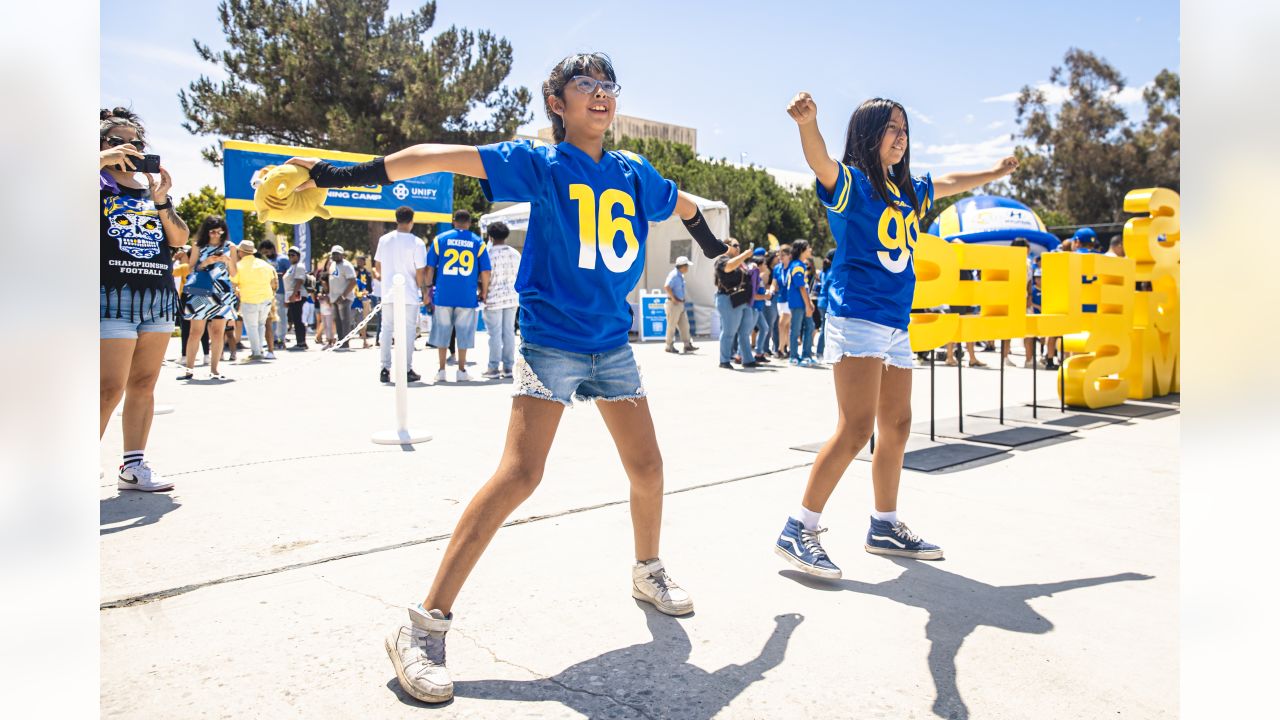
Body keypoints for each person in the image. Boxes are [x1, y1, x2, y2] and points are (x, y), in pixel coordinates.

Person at [285, 50, 727, 705]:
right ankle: (422, 627)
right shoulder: (540, 163)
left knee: (649, 469)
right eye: (587, 87)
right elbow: (435, 155)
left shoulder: (635, 171)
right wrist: (338, 172)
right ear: (558, 102)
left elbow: (685, 202)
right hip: (552, 342)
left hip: (612, 345)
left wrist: (716, 250)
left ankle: (647, 569)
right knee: (520, 475)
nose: (602, 97)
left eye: (610, 87)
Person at [775, 92, 1018, 578]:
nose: (901, 135)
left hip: (894, 324)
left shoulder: (909, 190)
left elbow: (948, 182)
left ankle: (884, 525)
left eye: (904, 127)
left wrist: (991, 174)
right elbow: (821, 161)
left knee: (898, 426)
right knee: (855, 428)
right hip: (857, 316)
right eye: (890, 127)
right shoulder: (852, 184)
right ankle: (798, 528)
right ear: (867, 135)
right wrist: (808, 124)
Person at [99, 107, 189, 492]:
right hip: (109, 297)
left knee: (144, 382)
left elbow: (179, 239)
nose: (127, 148)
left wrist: (162, 200)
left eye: (134, 142)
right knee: (107, 388)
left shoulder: (147, 189)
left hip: (155, 298)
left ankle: (133, 467)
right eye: (116, 141)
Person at [425, 209, 491, 383]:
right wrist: (484, 291)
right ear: (469, 223)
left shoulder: (440, 239)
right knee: (464, 333)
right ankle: (461, 370)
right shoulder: (478, 242)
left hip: (443, 294)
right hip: (466, 296)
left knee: (442, 332)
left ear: (454, 221)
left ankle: (441, 370)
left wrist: (427, 290)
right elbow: (485, 271)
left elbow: (430, 267)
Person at [374, 206, 428, 383]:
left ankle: (384, 368)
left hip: (389, 292)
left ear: (396, 220)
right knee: (408, 333)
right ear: (412, 221)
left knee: (386, 330)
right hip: (409, 293)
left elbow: (378, 267)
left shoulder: (384, 240)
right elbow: (420, 271)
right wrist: (423, 290)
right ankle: (405, 369)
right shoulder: (417, 243)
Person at [179, 216, 237, 380]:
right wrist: (205, 262)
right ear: (207, 231)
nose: (216, 235)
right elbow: (190, 269)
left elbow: (234, 273)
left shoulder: (230, 247)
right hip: (200, 290)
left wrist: (227, 261)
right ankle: (189, 370)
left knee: (218, 332)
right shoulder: (198, 245)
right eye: (213, 231)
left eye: (220, 231)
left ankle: (215, 369)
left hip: (222, 291)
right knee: (195, 331)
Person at [481, 221, 522, 378]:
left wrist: (483, 293)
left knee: (494, 335)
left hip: (493, 299)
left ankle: (493, 368)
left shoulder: (488, 254)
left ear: (490, 237)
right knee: (509, 333)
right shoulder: (514, 253)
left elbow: (484, 276)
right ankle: (508, 367)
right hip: (512, 298)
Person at [714, 238, 756, 369]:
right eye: (735, 245)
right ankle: (724, 360)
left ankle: (748, 359)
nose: (738, 248)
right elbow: (728, 267)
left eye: (739, 245)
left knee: (745, 332)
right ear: (727, 246)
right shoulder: (722, 260)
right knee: (729, 332)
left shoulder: (741, 263)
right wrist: (745, 255)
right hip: (728, 299)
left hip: (742, 299)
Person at [233, 239, 278, 361]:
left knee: (251, 326)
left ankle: (256, 352)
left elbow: (234, 283)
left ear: (241, 252)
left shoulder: (239, 266)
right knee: (260, 325)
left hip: (249, 299)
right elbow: (273, 280)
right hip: (266, 299)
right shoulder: (264, 264)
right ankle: (260, 349)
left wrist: (237, 291)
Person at [787, 239, 818, 366]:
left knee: (809, 327)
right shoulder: (797, 266)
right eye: (808, 247)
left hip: (802, 303)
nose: (810, 250)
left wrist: (809, 302)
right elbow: (801, 287)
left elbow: (804, 287)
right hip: (798, 303)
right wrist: (808, 304)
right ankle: (794, 356)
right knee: (796, 329)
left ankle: (806, 355)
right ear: (801, 250)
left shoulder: (799, 264)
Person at [260, 238, 291, 352]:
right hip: (268, 294)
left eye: (267, 252)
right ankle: (272, 339)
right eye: (264, 253)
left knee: (282, 317)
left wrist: (289, 294)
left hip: (282, 292)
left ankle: (281, 339)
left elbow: (290, 276)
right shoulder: (265, 262)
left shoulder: (283, 259)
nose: (266, 255)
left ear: (272, 249)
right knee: (270, 318)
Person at [663, 256, 696, 354]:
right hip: (673, 304)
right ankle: (668, 346)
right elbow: (666, 286)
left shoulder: (679, 275)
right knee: (671, 326)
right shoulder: (674, 275)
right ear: (682, 266)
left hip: (679, 304)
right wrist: (674, 298)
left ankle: (687, 345)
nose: (687, 268)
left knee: (685, 325)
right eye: (687, 266)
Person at [327, 245, 357, 348]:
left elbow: (353, 281)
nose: (335, 256)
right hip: (334, 297)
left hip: (344, 297)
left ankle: (345, 342)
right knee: (337, 320)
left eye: (337, 254)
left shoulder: (347, 265)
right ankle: (340, 340)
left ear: (342, 255)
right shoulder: (332, 265)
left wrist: (343, 295)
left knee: (345, 320)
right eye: (333, 254)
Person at [283, 247, 310, 350]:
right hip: (292, 297)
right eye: (289, 255)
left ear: (298, 256)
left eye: (293, 255)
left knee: (299, 319)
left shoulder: (299, 266)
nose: (290, 257)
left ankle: (302, 342)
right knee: (295, 319)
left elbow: (299, 281)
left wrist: (294, 295)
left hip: (298, 296)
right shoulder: (292, 267)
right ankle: (299, 341)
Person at [754, 251, 778, 360]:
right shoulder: (758, 277)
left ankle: (759, 353)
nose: (765, 266)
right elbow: (753, 295)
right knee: (746, 331)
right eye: (763, 264)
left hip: (758, 307)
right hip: (754, 307)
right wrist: (765, 296)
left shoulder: (759, 277)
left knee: (764, 328)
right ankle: (741, 355)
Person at [772, 245, 792, 358]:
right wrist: (771, 289)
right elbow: (774, 282)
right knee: (786, 326)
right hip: (780, 299)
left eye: (783, 255)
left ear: (789, 255)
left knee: (781, 323)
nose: (780, 257)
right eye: (779, 255)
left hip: (790, 299)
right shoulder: (777, 268)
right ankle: (789, 348)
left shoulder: (792, 267)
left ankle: (780, 349)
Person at [354, 254, 376, 349]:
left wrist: (368, 294)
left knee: (364, 320)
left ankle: (364, 340)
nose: (358, 263)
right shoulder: (354, 272)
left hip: (365, 298)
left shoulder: (367, 273)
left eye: (360, 261)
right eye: (357, 261)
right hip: (355, 300)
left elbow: (369, 286)